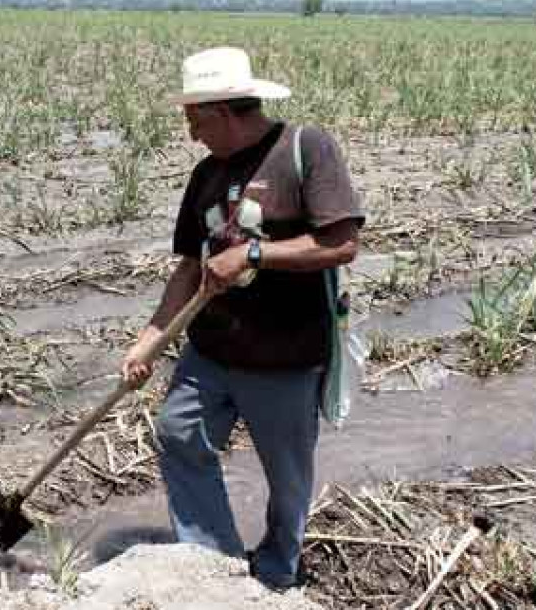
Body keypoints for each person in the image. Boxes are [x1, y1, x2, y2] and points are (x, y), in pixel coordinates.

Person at [121, 47, 363, 590]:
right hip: (210, 350)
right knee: (179, 433)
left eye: (195, 120)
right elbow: (189, 266)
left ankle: (277, 573)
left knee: (287, 475)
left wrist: (254, 255)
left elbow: (342, 243)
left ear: (227, 111)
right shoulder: (207, 173)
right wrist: (150, 339)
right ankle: (214, 564)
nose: (191, 134)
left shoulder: (306, 149)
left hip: (285, 355)